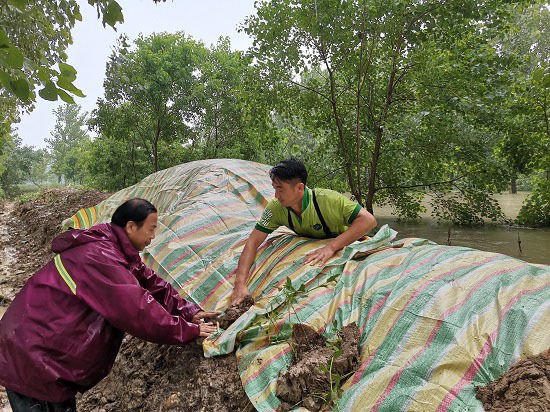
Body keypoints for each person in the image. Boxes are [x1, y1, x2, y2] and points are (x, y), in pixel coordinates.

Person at [0, 198, 219, 411]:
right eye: (151, 229)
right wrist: (189, 330)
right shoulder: (99, 256)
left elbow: (151, 283)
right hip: (33, 358)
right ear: (131, 226)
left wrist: (188, 312)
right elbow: (137, 310)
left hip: (42, 351)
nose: (153, 237)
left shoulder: (114, 249)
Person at [231, 159, 377, 305]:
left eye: (280, 189)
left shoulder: (328, 199)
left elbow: (368, 220)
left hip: (342, 245)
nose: (276, 195)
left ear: (300, 188)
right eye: (274, 189)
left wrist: (331, 247)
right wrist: (240, 284)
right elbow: (252, 242)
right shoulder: (276, 208)